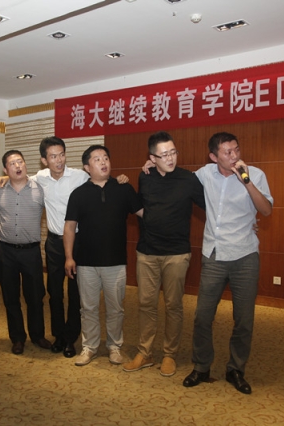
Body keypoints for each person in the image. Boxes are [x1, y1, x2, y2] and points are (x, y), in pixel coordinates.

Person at [0, 137, 129, 358]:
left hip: (79, 242)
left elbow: (101, 177)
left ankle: (70, 339)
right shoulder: (40, 179)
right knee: (54, 292)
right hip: (54, 243)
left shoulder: (79, 176)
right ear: (44, 160)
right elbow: (17, 177)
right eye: (53, 156)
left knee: (76, 294)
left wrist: (120, 179)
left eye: (62, 155)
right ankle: (58, 335)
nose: (59, 160)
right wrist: (3, 177)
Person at [183, 132, 273, 394]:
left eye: (236, 150)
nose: (234, 156)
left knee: (244, 320)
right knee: (202, 317)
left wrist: (246, 181)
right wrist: (151, 165)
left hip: (245, 255)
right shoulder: (204, 174)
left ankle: (236, 369)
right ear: (214, 156)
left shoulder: (255, 174)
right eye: (227, 152)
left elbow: (266, 210)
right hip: (214, 255)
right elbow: (176, 179)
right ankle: (201, 366)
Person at [122, 131, 205, 377]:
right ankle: (145, 352)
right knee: (146, 304)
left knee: (173, 305)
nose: (170, 158)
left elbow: (211, 206)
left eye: (173, 152)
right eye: (164, 155)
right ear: (152, 158)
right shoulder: (145, 176)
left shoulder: (188, 179)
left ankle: (170, 354)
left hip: (177, 254)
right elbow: (142, 207)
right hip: (147, 252)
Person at [64, 145, 143, 367]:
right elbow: (69, 227)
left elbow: (144, 213)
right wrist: (69, 257)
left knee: (115, 308)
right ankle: (89, 347)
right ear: (87, 167)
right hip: (86, 262)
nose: (103, 162)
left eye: (106, 157)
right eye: (97, 159)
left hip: (115, 262)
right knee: (88, 308)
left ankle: (114, 346)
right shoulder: (78, 194)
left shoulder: (123, 189)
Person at [0, 150, 52, 355]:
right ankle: (17, 338)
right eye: (12, 163)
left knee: (35, 296)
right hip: (5, 251)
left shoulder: (40, 188)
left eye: (20, 161)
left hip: (30, 252)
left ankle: (37, 335)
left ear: (26, 164)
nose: (17, 166)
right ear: (5, 169)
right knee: (10, 298)